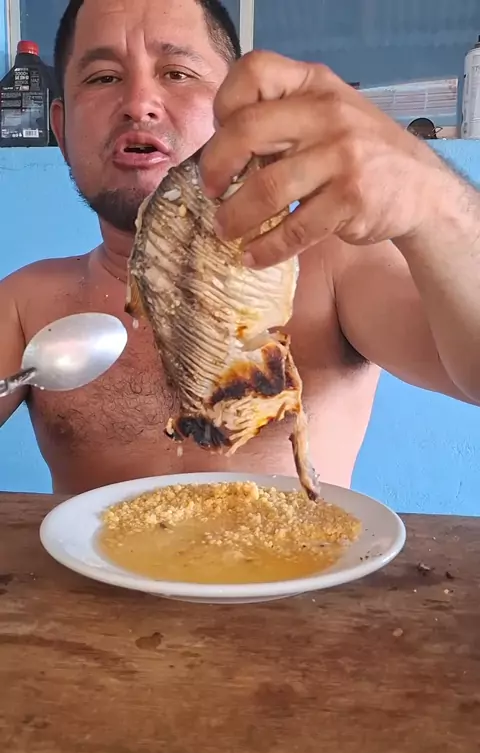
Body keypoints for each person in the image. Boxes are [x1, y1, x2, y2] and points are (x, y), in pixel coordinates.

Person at [0, 0, 479, 495]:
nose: (139, 103)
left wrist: (437, 205)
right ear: (60, 129)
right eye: (103, 77)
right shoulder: (27, 305)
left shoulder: (338, 266)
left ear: (240, 112)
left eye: (178, 73)